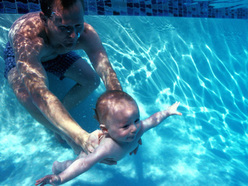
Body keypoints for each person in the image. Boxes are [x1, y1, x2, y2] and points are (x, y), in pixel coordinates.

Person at [3, 0, 122, 155]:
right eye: (64, 28)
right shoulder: (27, 39)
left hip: (56, 53)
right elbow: (40, 94)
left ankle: (61, 115)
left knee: (91, 80)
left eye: (78, 25)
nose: (73, 36)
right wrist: (79, 137)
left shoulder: (84, 33)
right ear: (44, 20)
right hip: (22, 55)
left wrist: (123, 119)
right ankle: (63, 132)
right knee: (28, 97)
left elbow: (107, 72)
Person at [35, 90, 182, 185]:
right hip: (93, 144)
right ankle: (59, 166)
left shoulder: (139, 129)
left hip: (106, 142)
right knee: (77, 160)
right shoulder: (107, 147)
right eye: (125, 126)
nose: (134, 129)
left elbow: (153, 120)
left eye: (136, 120)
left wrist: (167, 112)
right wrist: (61, 178)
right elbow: (84, 164)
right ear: (106, 130)